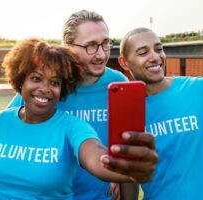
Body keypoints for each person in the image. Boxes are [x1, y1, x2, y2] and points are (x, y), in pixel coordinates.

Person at [0, 38, 157, 199]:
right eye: (36, 78)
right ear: (21, 80)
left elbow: (96, 159)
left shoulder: (73, 127)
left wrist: (132, 169)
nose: (45, 88)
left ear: (63, 88)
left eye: (55, 82)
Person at [8, 10, 141, 200]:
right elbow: (9, 134)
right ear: (67, 47)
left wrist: (118, 174)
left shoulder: (118, 84)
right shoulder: (47, 85)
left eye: (105, 44)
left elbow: (127, 148)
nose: (101, 54)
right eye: (91, 46)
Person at [118, 27, 203, 199]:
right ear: (124, 62)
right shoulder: (127, 112)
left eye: (159, 49)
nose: (155, 57)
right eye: (143, 52)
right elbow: (129, 175)